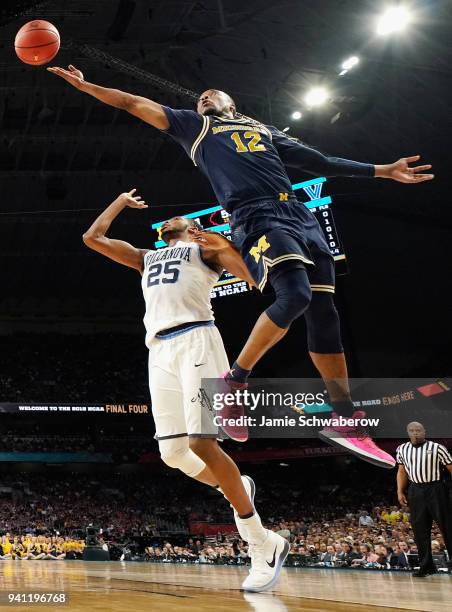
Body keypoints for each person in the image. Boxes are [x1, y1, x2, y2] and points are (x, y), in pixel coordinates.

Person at [47, 64, 434, 468]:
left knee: (325, 312)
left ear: (232, 103)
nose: (204, 99)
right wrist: (86, 85)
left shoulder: (264, 131)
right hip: (254, 216)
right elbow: (131, 102)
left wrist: (381, 171)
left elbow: (319, 161)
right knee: (296, 296)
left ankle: (345, 417)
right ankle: (234, 383)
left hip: (300, 216)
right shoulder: (194, 127)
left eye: (211, 95)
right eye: (200, 98)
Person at [81, 188, 289, 592]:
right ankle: (236, 486)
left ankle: (261, 543)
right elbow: (92, 238)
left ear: (194, 231)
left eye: (183, 219)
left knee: (202, 443)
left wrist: (231, 245)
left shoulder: (205, 249)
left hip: (197, 338)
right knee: (172, 452)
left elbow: (253, 278)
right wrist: (120, 202)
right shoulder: (146, 257)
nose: (173, 218)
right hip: (158, 350)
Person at [396, 421, 452, 577]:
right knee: (419, 530)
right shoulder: (402, 449)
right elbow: (401, 472)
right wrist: (400, 491)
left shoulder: (437, 448)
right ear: (408, 433)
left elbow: (450, 467)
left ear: (424, 431)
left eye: (418, 430)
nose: (415, 433)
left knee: (447, 527)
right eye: (412, 430)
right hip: (415, 490)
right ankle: (426, 566)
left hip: (436, 488)